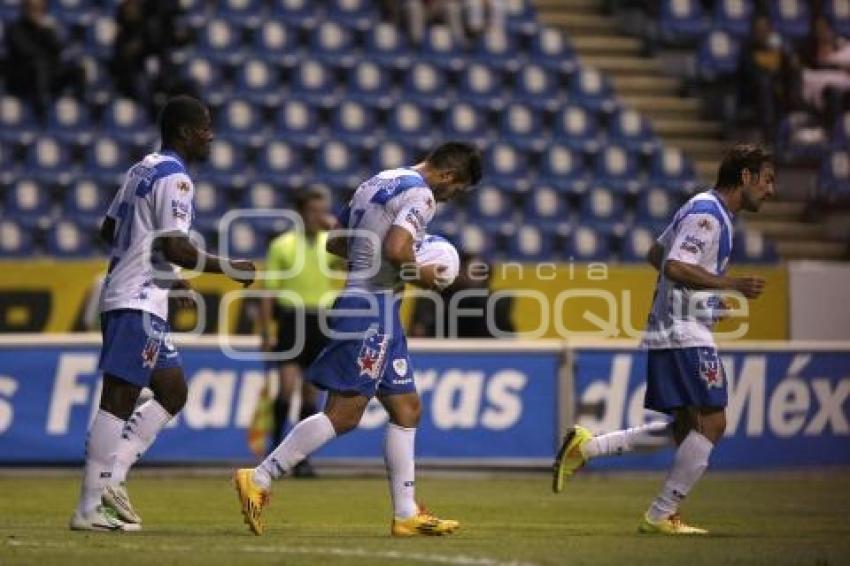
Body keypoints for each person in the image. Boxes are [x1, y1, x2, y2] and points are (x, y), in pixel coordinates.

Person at [233, 142, 482, 536]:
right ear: (449, 176)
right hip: (372, 308)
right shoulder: (421, 193)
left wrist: (378, 257)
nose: (451, 199)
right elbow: (397, 248)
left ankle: (405, 515)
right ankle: (260, 477)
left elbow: (335, 244)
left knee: (406, 408)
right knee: (344, 414)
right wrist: (424, 275)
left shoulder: (378, 181)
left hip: (375, 305)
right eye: (457, 190)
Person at [553, 144, 775, 535]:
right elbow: (672, 264)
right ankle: (660, 514)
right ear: (746, 177)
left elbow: (656, 253)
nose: (771, 190)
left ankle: (587, 448)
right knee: (713, 423)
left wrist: (704, 296)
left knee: (686, 428)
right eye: (767, 180)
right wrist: (730, 284)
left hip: (675, 325)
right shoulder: (708, 215)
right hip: (682, 331)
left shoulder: (701, 207)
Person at [70, 95, 256, 532]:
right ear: (186, 132)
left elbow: (110, 228)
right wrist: (228, 267)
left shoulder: (142, 168)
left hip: (141, 295)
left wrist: (166, 277)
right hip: (135, 300)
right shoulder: (177, 179)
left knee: (172, 392)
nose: (211, 136)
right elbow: (175, 245)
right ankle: (89, 507)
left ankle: (113, 479)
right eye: (206, 127)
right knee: (118, 400)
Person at [257, 187, 341, 477]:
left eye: (323, 210)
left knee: (310, 396)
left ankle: (300, 459)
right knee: (286, 390)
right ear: (302, 213)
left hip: (321, 320)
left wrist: (337, 232)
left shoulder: (328, 244)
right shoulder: (282, 245)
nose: (320, 216)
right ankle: (274, 451)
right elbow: (268, 292)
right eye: (315, 211)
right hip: (292, 320)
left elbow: (351, 261)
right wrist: (267, 330)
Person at [4, 0, 85, 121]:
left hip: (47, 75)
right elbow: (28, 52)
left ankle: (81, 109)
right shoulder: (15, 29)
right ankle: (42, 109)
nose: (37, 12)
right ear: (25, 9)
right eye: (33, 9)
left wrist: (48, 31)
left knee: (78, 69)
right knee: (39, 65)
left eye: (40, 9)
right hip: (23, 78)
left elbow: (58, 50)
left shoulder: (45, 29)